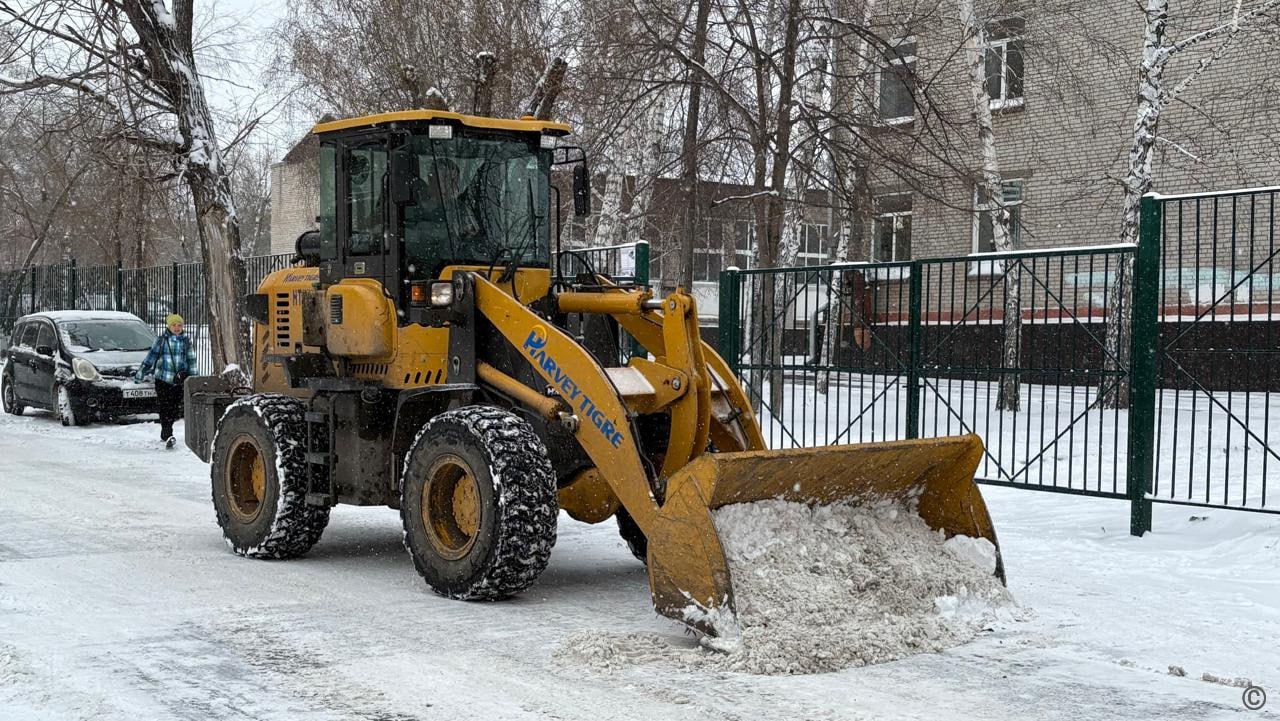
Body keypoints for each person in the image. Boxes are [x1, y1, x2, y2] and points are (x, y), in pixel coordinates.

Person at [134, 314, 197, 449]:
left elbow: (191, 361)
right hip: (163, 379)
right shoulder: (161, 340)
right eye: (174, 325)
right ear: (169, 326)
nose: (177, 328)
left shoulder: (186, 341)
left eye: (179, 325)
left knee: (174, 408)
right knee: (165, 406)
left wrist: (194, 379)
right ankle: (167, 432)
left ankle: (168, 428)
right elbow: (151, 357)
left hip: (179, 380)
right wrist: (141, 373)